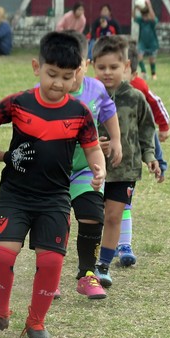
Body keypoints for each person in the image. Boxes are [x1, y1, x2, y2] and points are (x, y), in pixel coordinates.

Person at [0, 31, 106, 338]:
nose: (58, 82)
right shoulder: (19, 103)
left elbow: (93, 148)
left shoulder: (80, 113)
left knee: (51, 260)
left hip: (55, 197)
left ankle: (36, 321)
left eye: (67, 77)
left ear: (78, 75)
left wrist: (100, 168)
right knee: (2, 255)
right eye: (51, 74)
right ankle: (0, 312)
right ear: (36, 67)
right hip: (15, 194)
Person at [56, 31, 122, 300]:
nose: (67, 79)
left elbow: (108, 111)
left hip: (85, 167)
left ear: (84, 64)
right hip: (53, 171)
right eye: (61, 72)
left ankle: (87, 274)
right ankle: (48, 275)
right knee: (55, 222)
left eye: (74, 71)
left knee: (92, 214)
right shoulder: (50, 92)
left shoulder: (95, 89)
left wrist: (115, 139)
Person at [91, 35, 159, 288]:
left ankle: (103, 265)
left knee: (113, 216)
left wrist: (150, 156)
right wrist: (95, 143)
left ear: (126, 66)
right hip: (91, 168)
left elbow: (146, 130)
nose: (107, 73)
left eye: (114, 67)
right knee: (90, 217)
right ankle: (86, 263)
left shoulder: (136, 98)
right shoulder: (88, 96)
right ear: (92, 66)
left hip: (125, 169)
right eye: (102, 67)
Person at [119, 41, 170, 267]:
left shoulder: (139, 87)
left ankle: (123, 244)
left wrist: (164, 126)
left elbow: (154, 108)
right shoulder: (99, 92)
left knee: (122, 204)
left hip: (137, 141)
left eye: (120, 68)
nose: (113, 74)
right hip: (107, 157)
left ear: (132, 71)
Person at [134, 0, 159, 80]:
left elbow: (153, 17)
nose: (145, 17)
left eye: (146, 15)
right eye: (143, 15)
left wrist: (149, 6)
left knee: (152, 59)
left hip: (152, 42)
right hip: (142, 42)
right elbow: (133, 17)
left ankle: (153, 74)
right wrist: (135, 7)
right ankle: (143, 71)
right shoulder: (141, 20)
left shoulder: (152, 21)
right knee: (139, 56)